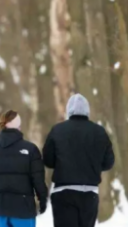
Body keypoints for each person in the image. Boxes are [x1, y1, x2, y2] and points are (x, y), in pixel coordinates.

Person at [43, 94, 115, 227]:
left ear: (68, 110)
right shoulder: (99, 132)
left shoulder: (57, 130)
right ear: (87, 111)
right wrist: (93, 166)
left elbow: (47, 160)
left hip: (63, 193)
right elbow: (109, 162)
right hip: (90, 193)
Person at [0, 110, 47, 227]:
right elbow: (38, 179)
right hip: (23, 208)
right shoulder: (31, 149)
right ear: (19, 126)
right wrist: (43, 199)